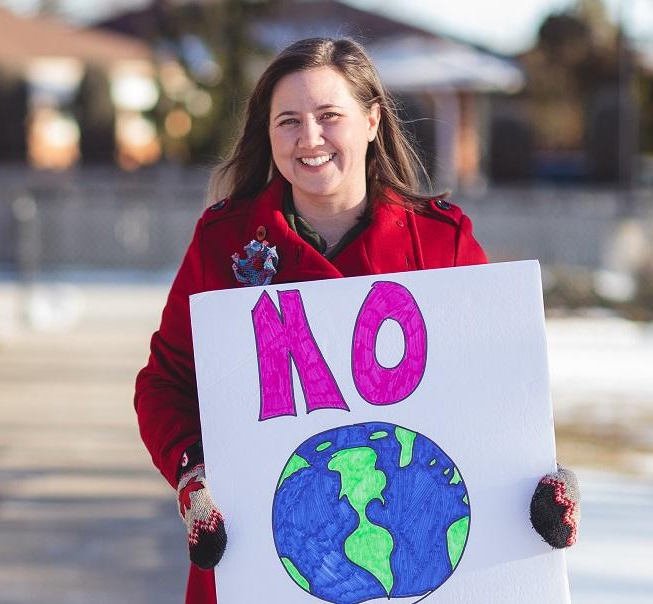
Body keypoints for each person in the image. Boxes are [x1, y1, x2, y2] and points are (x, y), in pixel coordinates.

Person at [134, 37, 579, 604]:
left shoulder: (441, 243)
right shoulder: (224, 244)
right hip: (265, 572)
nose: (309, 138)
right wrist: (193, 474)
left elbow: (498, 397)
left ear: (371, 120)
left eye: (328, 116)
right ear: (267, 136)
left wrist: (541, 482)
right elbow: (164, 384)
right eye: (288, 121)